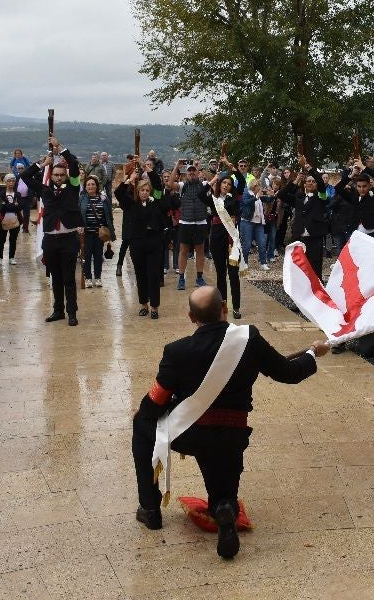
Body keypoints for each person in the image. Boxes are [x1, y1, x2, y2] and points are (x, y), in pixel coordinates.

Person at [131, 287, 330, 558]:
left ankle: (150, 509)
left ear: (191, 317)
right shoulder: (250, 339)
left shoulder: (177, 351)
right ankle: (224, 509)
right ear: (224, 308)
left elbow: (156, 401)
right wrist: (312, 353)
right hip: (231, 435)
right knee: (223, 494)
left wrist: (143, 412)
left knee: (141, 426)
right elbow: (289, 373)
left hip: (188, 434)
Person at [21, 136, 82, 326]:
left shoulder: (73, 188)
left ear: (66, 176)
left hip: (68, 239)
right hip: (50, 239)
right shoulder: (44, 190)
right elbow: (24, 177)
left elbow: (74, 164)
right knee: (55, 278)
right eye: (55, 175)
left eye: (61, 175)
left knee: (69, 279)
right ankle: (58, 310)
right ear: (51, 175)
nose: (58, 177)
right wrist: (42, 164)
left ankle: (72, 312)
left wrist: (59, 147)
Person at [115, 176, 170, 318]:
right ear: (138, 191)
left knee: (153, 275)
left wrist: (150, 171)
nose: (144, 192)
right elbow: (118, 193)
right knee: (140, 275)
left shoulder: (155, 202)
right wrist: (129, 180)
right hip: (137, 242)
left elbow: (158, 186)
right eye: (142, 190)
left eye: (147, 190)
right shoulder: (131, 204)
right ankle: (144, 304)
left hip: (154, 241)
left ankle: (154, 306)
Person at [281, 158, 330, 277]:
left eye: (313, 181)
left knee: (315, 268)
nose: (311, 183)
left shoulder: (321, 197)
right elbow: (281, 194)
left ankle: (317, 288)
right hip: (299, 237)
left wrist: (307, 166)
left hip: (315, 238)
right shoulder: (299, 198)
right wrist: (296, 180)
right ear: (304, 184)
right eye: (308, 181)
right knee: (298, 268)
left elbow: (320, 182)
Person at [169, 160, 211, 290]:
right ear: (186, 173)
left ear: (197, 172)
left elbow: (215, 179)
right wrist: (176, 166)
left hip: (200, 221)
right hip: (186, 222)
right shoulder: (183, 185)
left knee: (200, 250)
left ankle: (199, 277)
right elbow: (170, 183)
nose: (192, 172)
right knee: (183, 250)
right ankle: (181, 278)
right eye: (190, 171)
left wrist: (201, 169)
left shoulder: (204, 184)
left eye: (194, 170)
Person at [207, 175, 244, 319]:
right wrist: (212, 180)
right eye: (223, 182)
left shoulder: (234, 199)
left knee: (233, 275)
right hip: (216, 240)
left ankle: (236, 307)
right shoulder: (213, 199)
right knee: (221, 275)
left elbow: (241, 181)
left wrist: (232, 168)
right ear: (219, 184)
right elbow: (200, 194)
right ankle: (223, 306)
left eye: (229, 183)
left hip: (231, 240)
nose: (226, 185)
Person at [79, 174, 114, 288]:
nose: (90, 186)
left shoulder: (103, 198)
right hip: (87, 233)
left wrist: (110, 230)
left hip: (100, 233)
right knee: (87, 256)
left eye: (93, 184)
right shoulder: (81, 199)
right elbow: (78, 215)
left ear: (97, 186)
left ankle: (98, 277)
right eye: (88, 184)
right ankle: (88, 278)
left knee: (98, 256)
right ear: (85, 186)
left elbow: (109, 215)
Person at [0, 175, 22, 265]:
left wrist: (7, 205)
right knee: (1, 239)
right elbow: (1, 208)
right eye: (9, 181)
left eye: (13, 181)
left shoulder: (18, 194)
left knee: (13, 239)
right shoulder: (1, 194)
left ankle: (11, 257)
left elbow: (20, 207)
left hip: (15, 219)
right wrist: (13, 205)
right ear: (5, 182)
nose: (11, 183)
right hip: (3, 220)